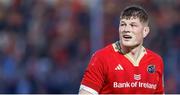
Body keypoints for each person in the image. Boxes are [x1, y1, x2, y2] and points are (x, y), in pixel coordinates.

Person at [79, 5, 164, 94]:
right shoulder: (101, 58)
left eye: (133, 25)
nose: (126, 29)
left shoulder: (156, 61)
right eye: (123, 24)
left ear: (145, 31)